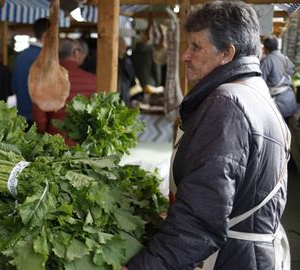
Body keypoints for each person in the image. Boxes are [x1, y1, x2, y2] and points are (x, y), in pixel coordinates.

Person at [125, 1, 290, 269]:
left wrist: (145, 265)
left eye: (196, 47)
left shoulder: (227, 104)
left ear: (227, 53)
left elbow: (201, 218)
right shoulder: (255, 91)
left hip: (233, 258)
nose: (185, 56)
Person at [32, 38, 96, 145]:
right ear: (76, 54)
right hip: (84, 146)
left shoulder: (45, 80)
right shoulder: (93, 80)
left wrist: (43, 137)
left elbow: (39, 119)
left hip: (54, 145)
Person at [11, 18, 49, 126]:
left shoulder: (21, 55)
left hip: (22, 114)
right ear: (46, 35)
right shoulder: (45, 58)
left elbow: (14, 85)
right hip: (40, 118)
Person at [261, 35, 296, 120]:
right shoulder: (285, 58)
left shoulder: (267, 60)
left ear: (265, 48)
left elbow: (260, 82)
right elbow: (291, 72)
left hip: (278, 103)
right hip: (289, 99)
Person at [117, 37, 136, 107]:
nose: (125, 51)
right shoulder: (110, 64)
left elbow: (132, 80)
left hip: (124, 98)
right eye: (123, 48)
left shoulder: (126, 62)